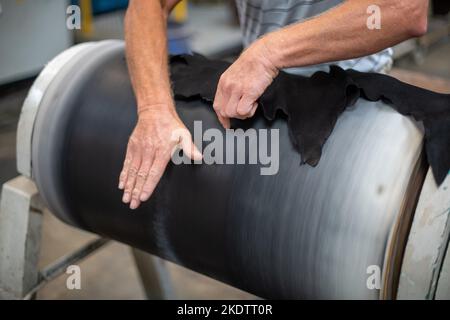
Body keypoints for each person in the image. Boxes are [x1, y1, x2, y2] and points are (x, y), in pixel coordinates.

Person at [119, 0, 429, 209]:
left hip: (355, 101)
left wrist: (269, 53)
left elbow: (404, 8)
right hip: (262, 99)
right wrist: (154, 109)